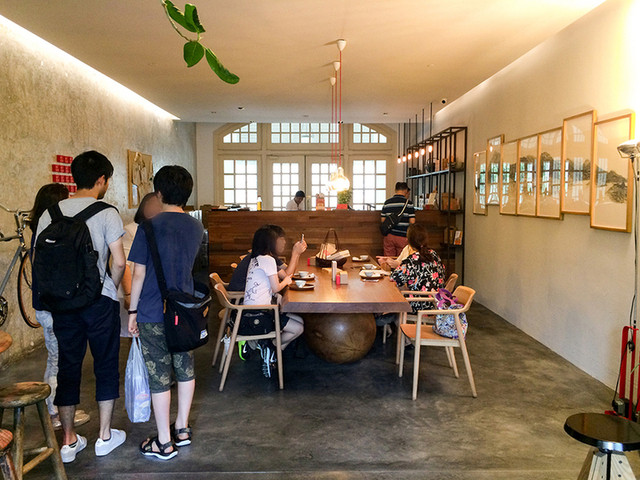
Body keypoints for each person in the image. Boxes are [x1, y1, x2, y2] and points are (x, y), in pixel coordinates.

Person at [35, 151, 127, 463]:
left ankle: (69, 440)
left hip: (63, 303)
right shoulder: (107, 212)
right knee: (105, 364)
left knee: (68, 366)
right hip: (99, 301)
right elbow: (119, 261)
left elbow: (39, 260)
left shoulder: (50, 213)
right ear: (101, 180)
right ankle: (104, 436)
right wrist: (111, 287)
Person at [128, 166, 203, 461]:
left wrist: (132, 311)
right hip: (184, 310)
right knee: (185, 368)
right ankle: (182, 429)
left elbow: (138, 274)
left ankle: (163, 442)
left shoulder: (148, 227)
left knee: (159, 375)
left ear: (158, 194)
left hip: (151, 310)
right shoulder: (195, 227)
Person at [29, 184, 91, 430]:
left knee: (55, 358)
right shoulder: (52, 236)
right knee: (57, 360)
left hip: (43, 305)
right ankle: (55, 413)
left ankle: (54, 410)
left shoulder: (40, 233)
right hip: (53, 308)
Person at [243, 226, 304, 377]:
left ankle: (271, 351)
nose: (281, 243)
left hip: (247, 314)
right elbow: (276, 287)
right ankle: (271, 348)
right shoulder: (269, 260)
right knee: (298, 328)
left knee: (300, 320)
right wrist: (287, 281)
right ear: (269, 242)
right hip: (261, 316)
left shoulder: (255, 259)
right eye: (278, 240)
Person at [379, 224, 445, 325]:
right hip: (436, 303)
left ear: (409, 241)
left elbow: (394, 279)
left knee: (395, 295)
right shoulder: (435, 255)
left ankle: (385, 322)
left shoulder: (411, 261)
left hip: (418, 304)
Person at [119, 193, 162, 337]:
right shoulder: (131, 230)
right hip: (133, 290)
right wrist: (129, 294)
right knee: (133, 333)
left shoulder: (159, 229)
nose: (155, 208)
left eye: (159, 205)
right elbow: (124, 264)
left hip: (149, 293)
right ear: (143, 207)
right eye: (152, 205)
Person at [228, 224, 307, 292]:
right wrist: (295, 253)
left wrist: (297, 254)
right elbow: (286, 276)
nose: (284, 242)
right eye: (281, 239)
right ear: (271, 242)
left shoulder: (268, 255)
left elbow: (288, 272)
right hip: (241, 298)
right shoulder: (264, 259)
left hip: (252, 296)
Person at [381, 182, 416, 257]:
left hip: (389, 235)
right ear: (406, 190)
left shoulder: (387, 203)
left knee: (389, 259)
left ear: (395, 190)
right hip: (403, 236)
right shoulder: (408, 203)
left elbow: (383, 220)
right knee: (402, 259)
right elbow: (412, 221)